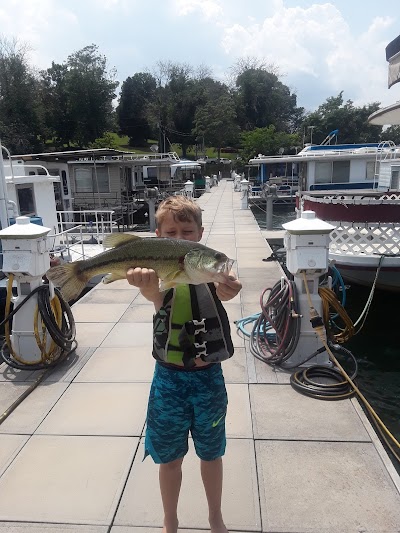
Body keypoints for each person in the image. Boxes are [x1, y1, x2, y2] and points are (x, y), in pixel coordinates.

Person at [126, 195, 242, 533]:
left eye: (187, 231)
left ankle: (215, 517)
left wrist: (228, 289)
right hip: (169, 379)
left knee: (211, 453)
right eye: (172, 231)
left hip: (208, 378)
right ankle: (170, 520)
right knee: (169, 457)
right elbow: (160, 304)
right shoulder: (159, 271)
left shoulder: (210, 266)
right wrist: (149, 293)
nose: (180, 236)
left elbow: (225, 288)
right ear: (159, 235)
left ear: (200, 233)